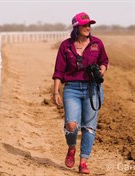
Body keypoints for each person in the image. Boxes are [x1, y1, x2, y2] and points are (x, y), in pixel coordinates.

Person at [52, 12, 109, 174]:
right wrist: (56, 91)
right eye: (84, 25)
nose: (88, 28)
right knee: (71, 125)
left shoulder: (97, 43)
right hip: (72, 88)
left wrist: (101, 72)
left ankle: (83, 162)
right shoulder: (66, 46)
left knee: (89, 128)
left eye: (89, 25)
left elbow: (104, 61)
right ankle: (71, 148)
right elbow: (58, 70)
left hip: (93, 89)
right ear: (76, 27)